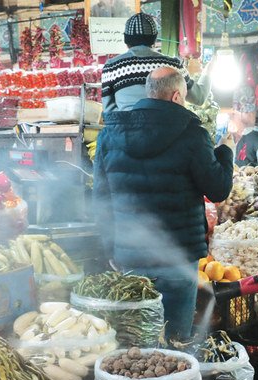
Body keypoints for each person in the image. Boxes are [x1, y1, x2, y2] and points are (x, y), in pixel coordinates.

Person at [93, 67, 234, 338]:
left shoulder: (110, 135)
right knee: (176, 341)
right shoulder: (193, 134)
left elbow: (101, 199)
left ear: (149, 93)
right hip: (177, 258)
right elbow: (218, 189)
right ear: (177, 96)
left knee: (136, 338)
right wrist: (226, 151)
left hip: (130, 255)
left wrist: (111, 248)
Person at [101, 12, 212, 114]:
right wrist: (208, 71)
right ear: (154, 39)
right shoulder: (173, 65)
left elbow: (109, 113)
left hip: (126, 133)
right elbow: (199, 98)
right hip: (168, 132)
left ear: (126, 40)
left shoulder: (111, 67)